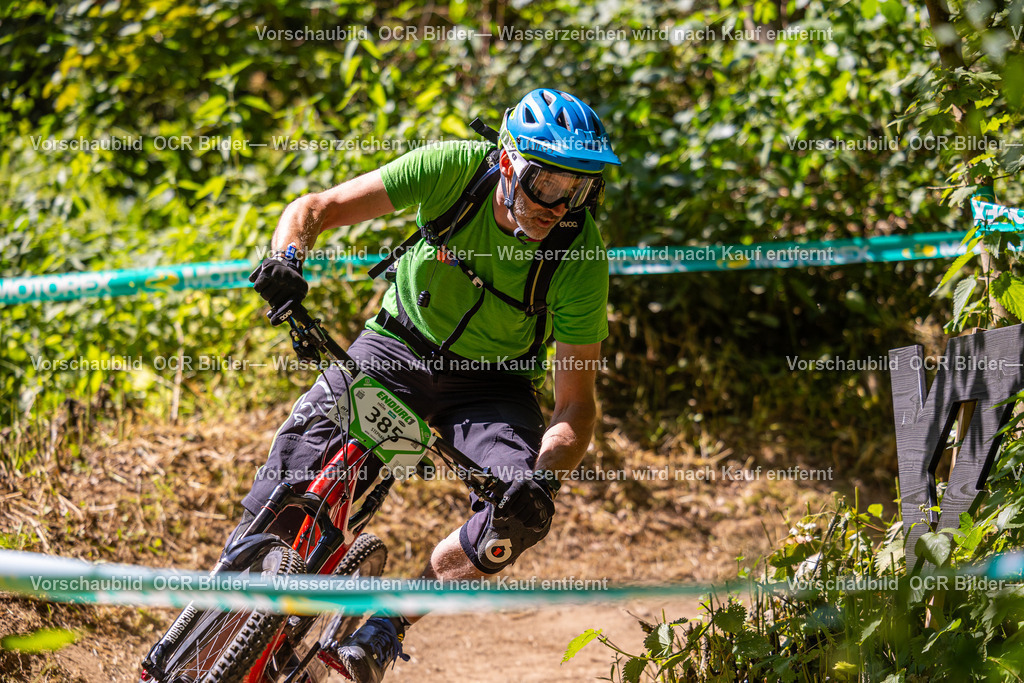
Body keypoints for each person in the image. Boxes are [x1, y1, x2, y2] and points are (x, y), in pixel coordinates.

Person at [245, 88, 620, 682]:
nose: (558, 203)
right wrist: (287, 259)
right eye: (546, 182)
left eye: (578, 188)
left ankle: (387, 624)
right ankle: (229, 590)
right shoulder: (452, 170)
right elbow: (316, 206)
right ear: (507, 161)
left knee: (518, 519)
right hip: (397, 346)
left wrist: (541, 477)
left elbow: (575, 407)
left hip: (491, 390)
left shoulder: (580, 255)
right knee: (294, 469)